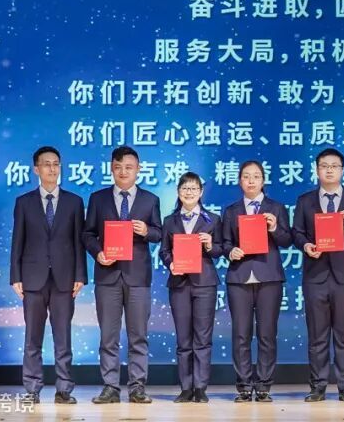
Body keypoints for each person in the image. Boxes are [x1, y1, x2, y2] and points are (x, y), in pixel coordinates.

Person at [82, 145, 162, 404]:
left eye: (129, 167)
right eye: (118, 167)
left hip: (138, 277)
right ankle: (110, 387)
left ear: (138, 169)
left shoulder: (150, 199)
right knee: (108, 336)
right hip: (107, 276)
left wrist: (146, 231)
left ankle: (137, 387)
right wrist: (98, 253)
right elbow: (87, 234)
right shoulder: (98, 198)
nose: (123, 172)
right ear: (111, 169)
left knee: (139, 336)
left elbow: (159, 233)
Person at [292, 148, 344, 402]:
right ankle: (318, 387)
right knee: (317, 335)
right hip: (315, 275)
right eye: (324, 166)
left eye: (334, 166)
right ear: (317, 170)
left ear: (342, 170)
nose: (329, 170)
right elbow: (296, 233)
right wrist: (306, 245)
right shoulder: (305, 201)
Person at [10, 146, 86, 404]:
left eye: (56, 164)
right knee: (32, 337)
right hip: (32, 278)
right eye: (46, 164)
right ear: (36, 169)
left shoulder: (74, 202)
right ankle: (32, 389)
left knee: (63, 337)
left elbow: (78, 242)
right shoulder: (24, 202)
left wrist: (80, 275)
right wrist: (15, 276)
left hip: (65, 279)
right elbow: (17, 242)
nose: (52, 169)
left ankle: (64, 389)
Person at [220, 160, 292, 402]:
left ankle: (263, 385)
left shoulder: (276, 208)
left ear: (263, 180)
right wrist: (230, 251)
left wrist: (274, 228)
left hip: (269, 277)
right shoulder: (231, 211)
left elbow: (286, 240)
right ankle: (243, 385)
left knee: (267, 334)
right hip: (239, 277)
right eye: (246, 176)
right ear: (239, 181)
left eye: (256, 176)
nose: (251, 180)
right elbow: (224, 243)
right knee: (241, 334)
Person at [158, 172, 221, 403]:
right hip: (179, 284)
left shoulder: (213, 219)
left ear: (201, 192)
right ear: (178, 192)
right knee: (183, 339)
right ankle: (186, 387)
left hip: (205, 283)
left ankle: (201, 387)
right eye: (185, 188)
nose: (189, 192)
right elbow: (164, 251)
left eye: (194, 188)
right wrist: (171, 264)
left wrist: (210, 245)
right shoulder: (169, 221)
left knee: (202, 338)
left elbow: (220, 250)